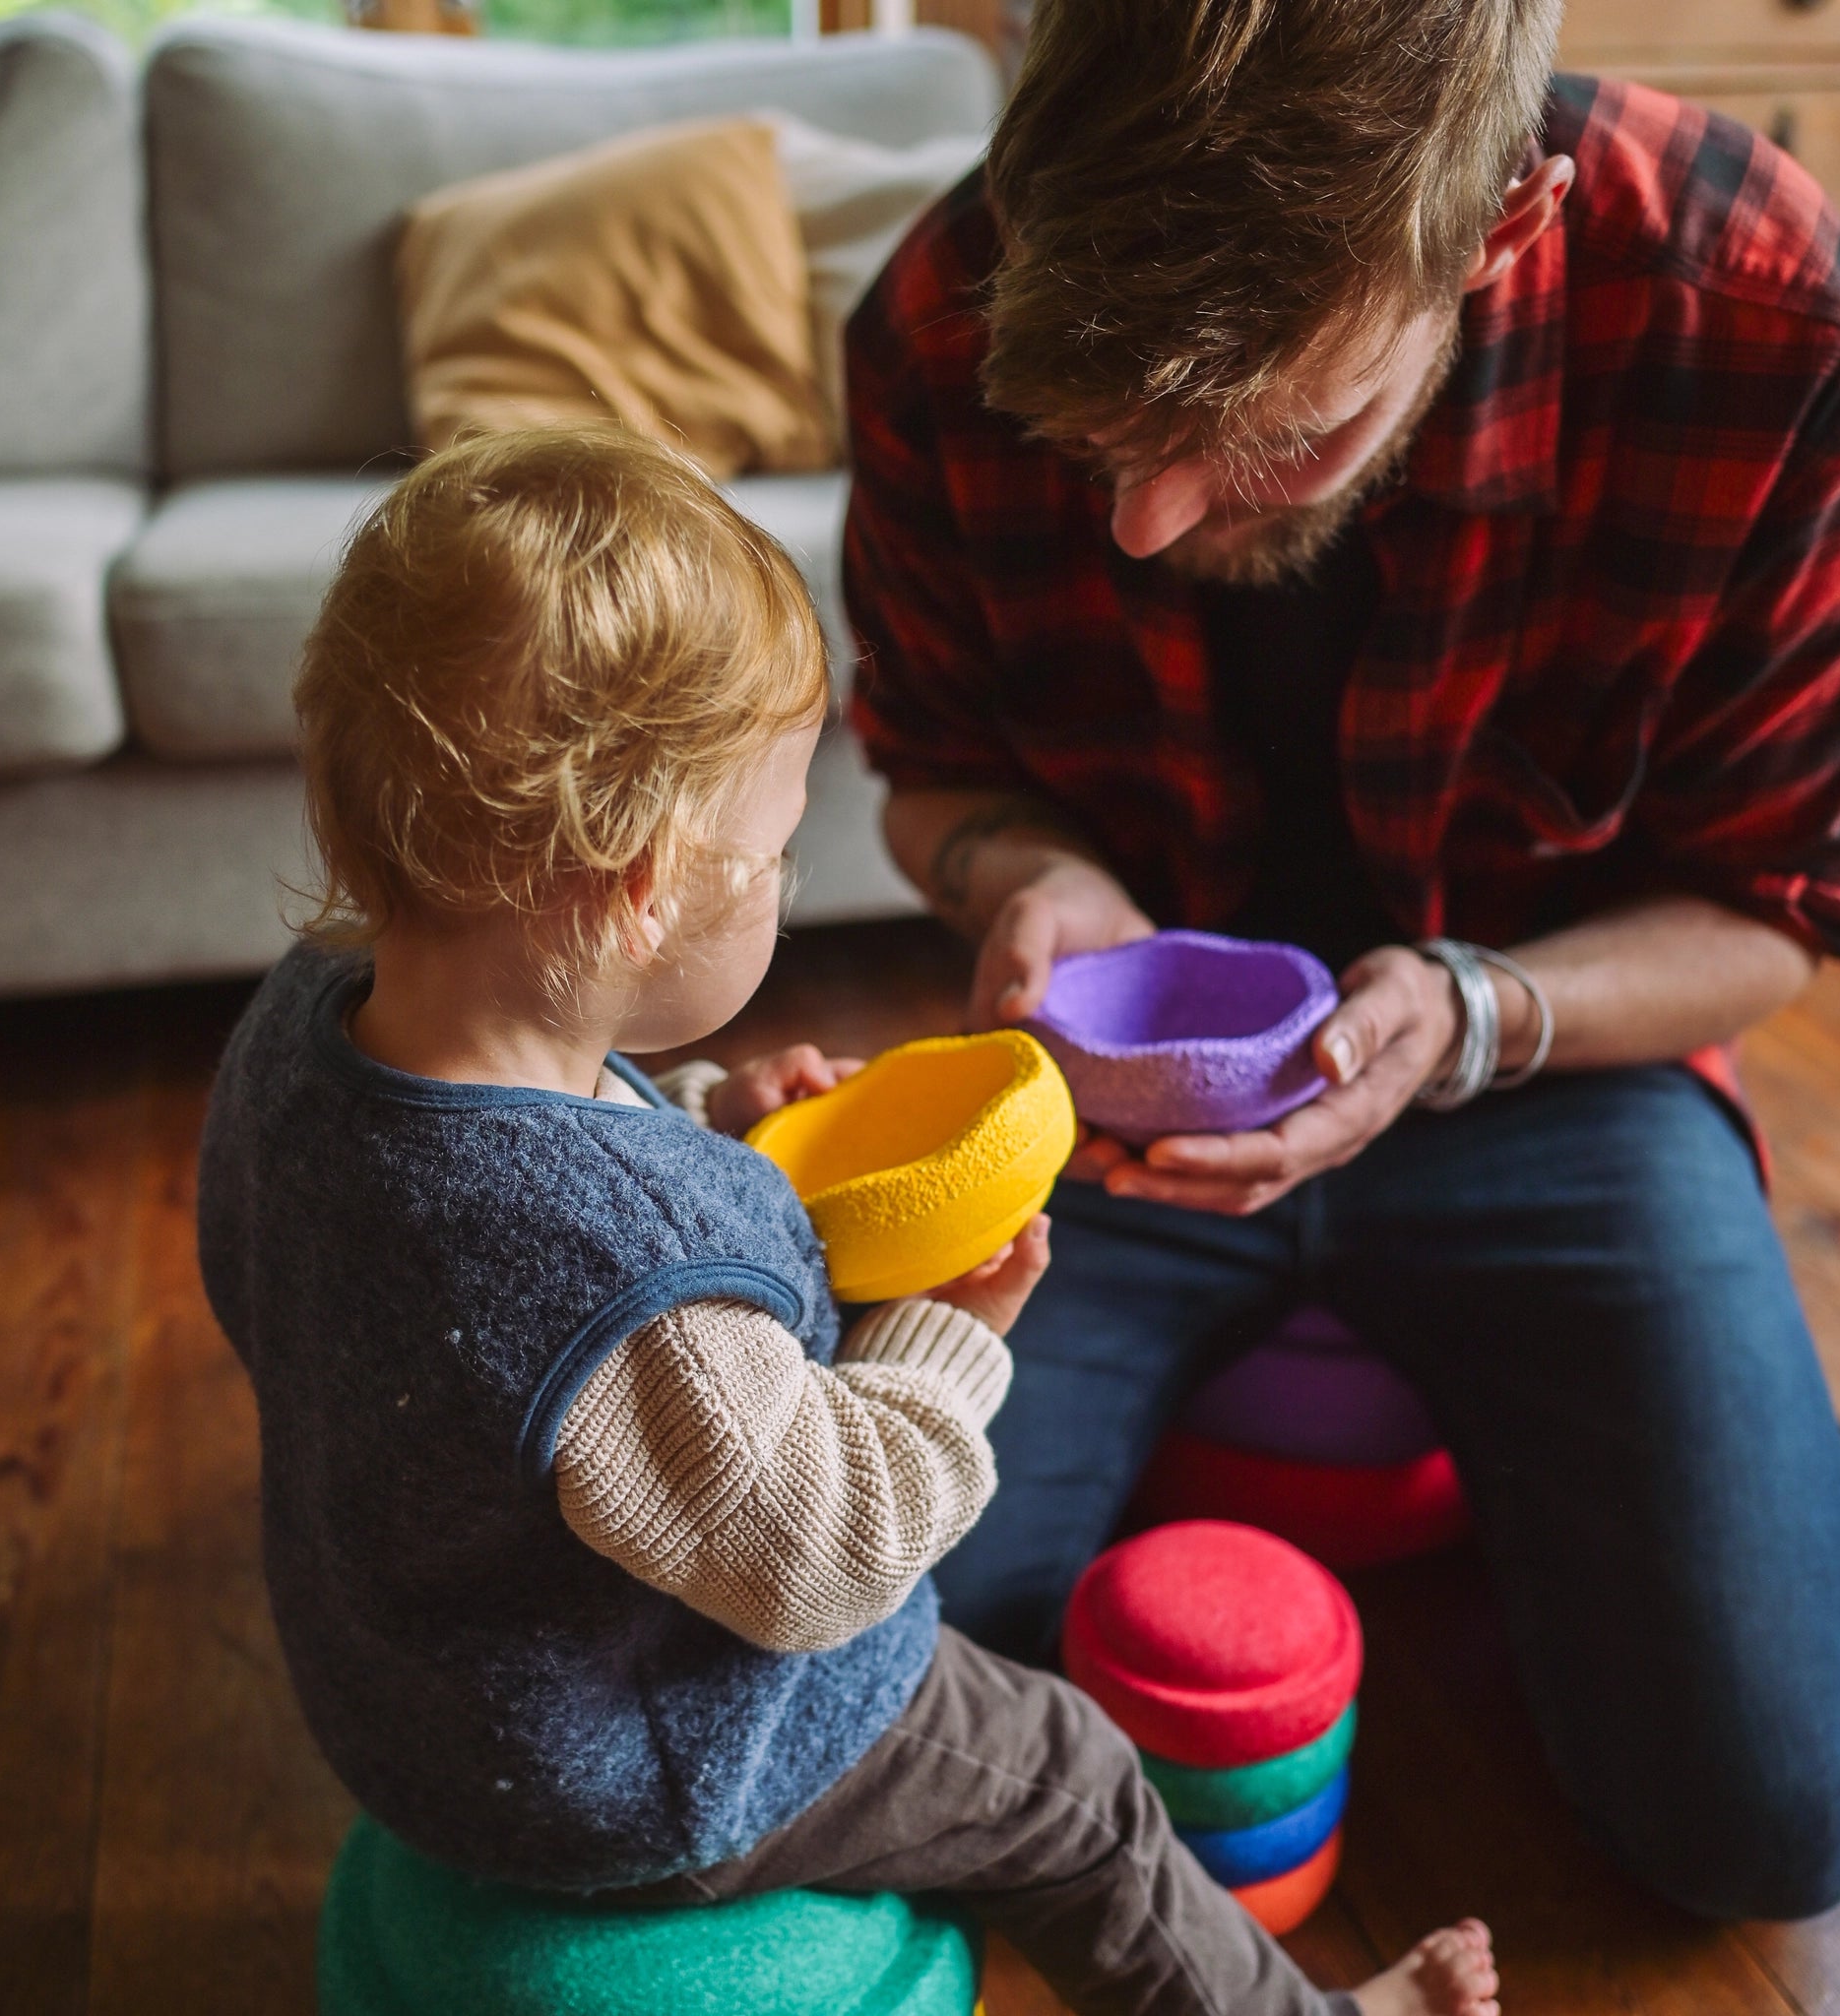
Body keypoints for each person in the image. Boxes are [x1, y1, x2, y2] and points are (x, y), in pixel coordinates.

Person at [843, 0, 1840, 1924]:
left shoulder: (1773, 328)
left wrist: (1474, 1015)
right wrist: (1029, 871)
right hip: (1098, 1122)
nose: (1144, 518)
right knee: (831, 1687)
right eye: (1099, 442)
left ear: (1495, 234)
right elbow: (929, 771)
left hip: (1552, 1078)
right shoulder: (940, 308)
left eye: (1269, 431)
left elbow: (1789, 904)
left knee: (1768, 1815)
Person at [196, 426, 1505, 2016]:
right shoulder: (630, 1287)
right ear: (638, 890)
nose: (785, 882)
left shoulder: (310, 1025)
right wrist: (941, 1339)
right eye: (773, 853)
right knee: (1075, 1780)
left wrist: (711, 1129)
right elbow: (825, 1559)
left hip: (411, 1695)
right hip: (640, 1767)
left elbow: (477, 1228)